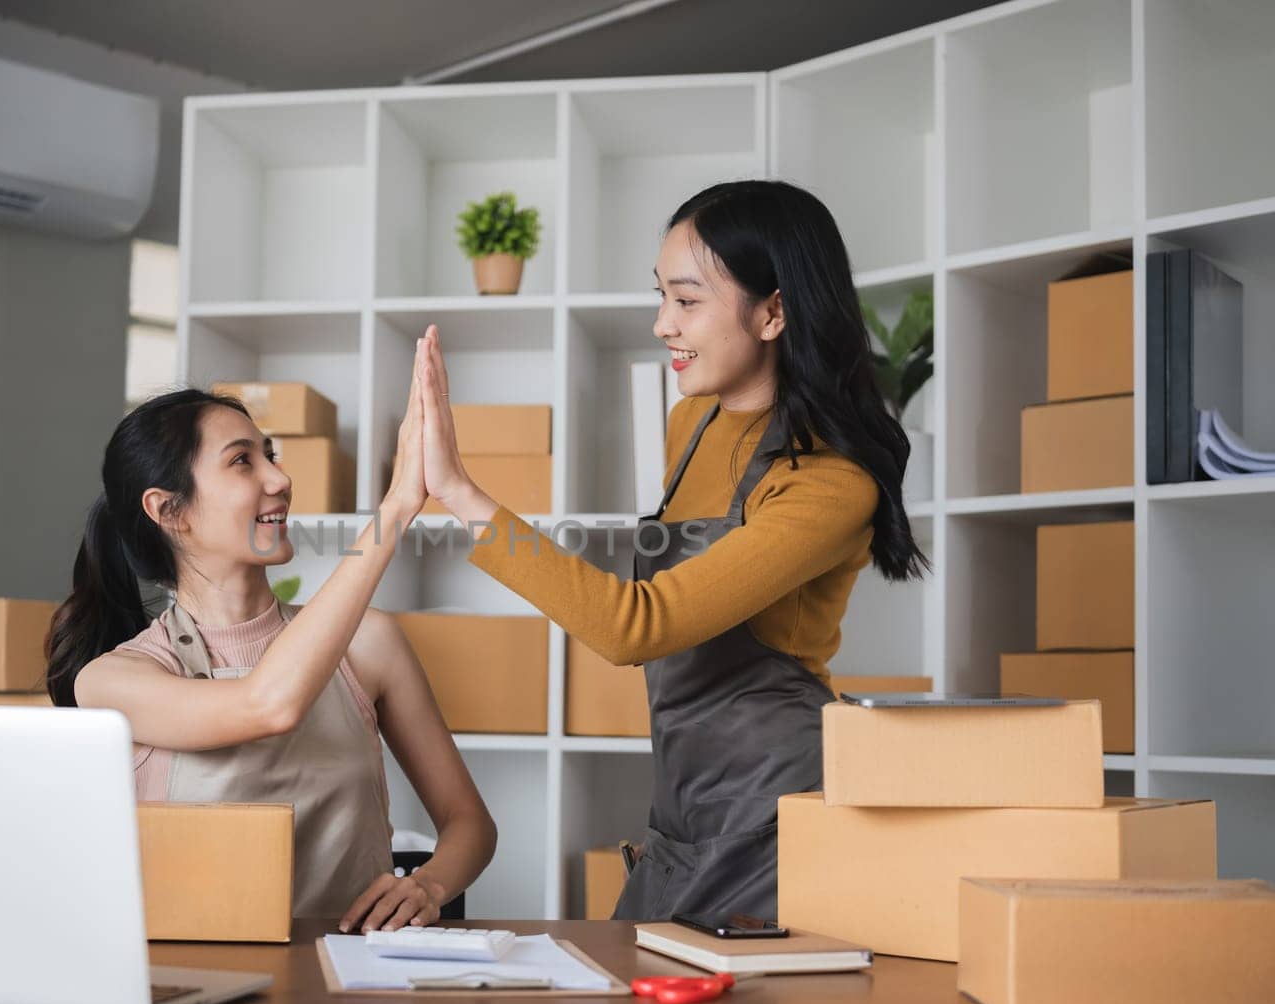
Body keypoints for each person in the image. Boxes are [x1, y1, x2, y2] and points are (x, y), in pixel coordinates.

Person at [414, 180, 928, 921]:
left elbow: (639, 625)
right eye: (661, 296)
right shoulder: (689, 422)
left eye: (686, 301)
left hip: (780, 815)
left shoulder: (829, 480)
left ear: (774, 311)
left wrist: (462, 493)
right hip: (684, 806)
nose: (662, 324)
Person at [46, 340, 496, 933]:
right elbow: (269, 704)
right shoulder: (114, 679)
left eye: (272, 455)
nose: (280, 479)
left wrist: (429, 885)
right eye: (242, 462)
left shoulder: (370, 645)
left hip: (350, 983)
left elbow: (469, 822)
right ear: (169, 510)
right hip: (196, 980)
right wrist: (395, 509)